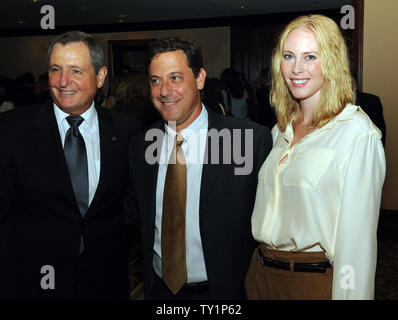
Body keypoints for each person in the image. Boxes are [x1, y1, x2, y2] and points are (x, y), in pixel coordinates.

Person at [245, 14, 385, 300]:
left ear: (331, 62)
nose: (296, 68)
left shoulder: (357, 133)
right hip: (260, 277)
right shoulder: (279, 131)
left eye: (310, 57)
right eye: (288, 56)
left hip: (311, 284)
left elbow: (357, 247)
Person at [124, 37, 272, 300]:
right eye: (155, 80)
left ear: (200, 78)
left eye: (176, 78)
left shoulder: (246, 141)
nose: (164, 90)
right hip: (160, 291)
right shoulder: (140, 146)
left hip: (225, 293)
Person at [0, 31, 141, 299]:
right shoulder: (11, 130)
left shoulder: (127, 132)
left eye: (76, 71)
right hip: (35, 282)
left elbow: (132, 208)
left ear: (100, 77)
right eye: (56, 69)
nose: (63, 81)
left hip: (105, 281)